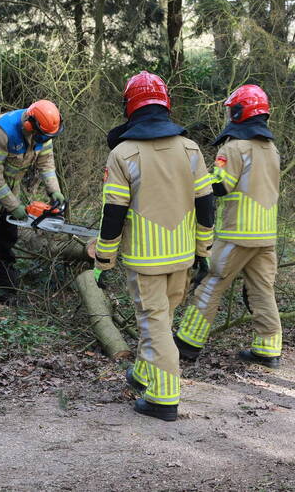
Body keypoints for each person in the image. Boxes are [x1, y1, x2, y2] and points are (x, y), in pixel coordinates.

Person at [92, 71, 215, 421]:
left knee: (154, 322)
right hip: (182, 256)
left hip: (146, 259)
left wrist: (103, 261)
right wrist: (204, 251)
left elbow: (113, 213)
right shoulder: (190, 149)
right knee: (162, 320)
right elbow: (206, 204)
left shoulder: (123, 154)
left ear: (129, 106)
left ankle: (164, 397)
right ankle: (145, 373)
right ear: (165, 104)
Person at [175, 84, 282, 366]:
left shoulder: (234, 147)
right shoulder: (271, 148)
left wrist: (194, 180)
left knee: (211, 282)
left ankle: (187, 343)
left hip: (237, 233)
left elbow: (221, 186)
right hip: (266, 235)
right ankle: (268, 349)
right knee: (262, 290)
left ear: (238, 111)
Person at [0, 99, 64, 317]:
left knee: (6, 245)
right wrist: (14, 206)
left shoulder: (44, 132)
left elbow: (46, 164)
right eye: (42, 135)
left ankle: (7, 292)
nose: (45, 139)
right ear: (30, 124)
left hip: (10, 192)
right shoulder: (4, 131)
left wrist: (54, 191)